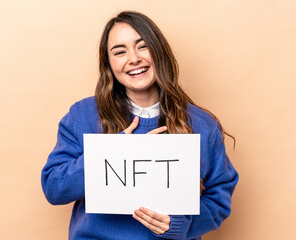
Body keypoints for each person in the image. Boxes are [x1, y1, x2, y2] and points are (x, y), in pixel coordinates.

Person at [41, 11, 239, 240]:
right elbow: (54, 188)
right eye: (120, 52)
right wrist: (116, 151)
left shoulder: (202, 125)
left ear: (159, 52)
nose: (133, 58)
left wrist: (178, 224)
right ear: (109, 64)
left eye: (142, 46)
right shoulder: (82, 116)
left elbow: (218, 199)